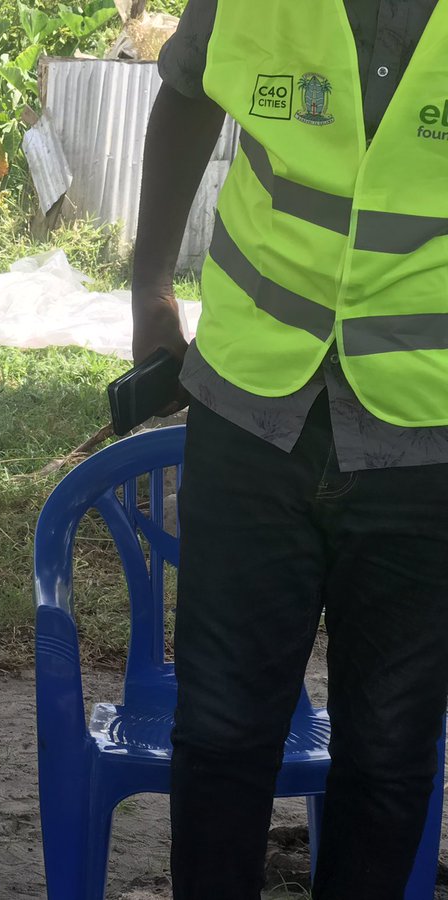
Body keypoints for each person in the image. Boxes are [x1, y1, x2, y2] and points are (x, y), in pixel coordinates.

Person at [131, 2, 448, 897]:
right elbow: (186, 93)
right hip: (250, 407)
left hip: (429, 434)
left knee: (389, 749)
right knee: (223, 732)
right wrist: (149, 285)